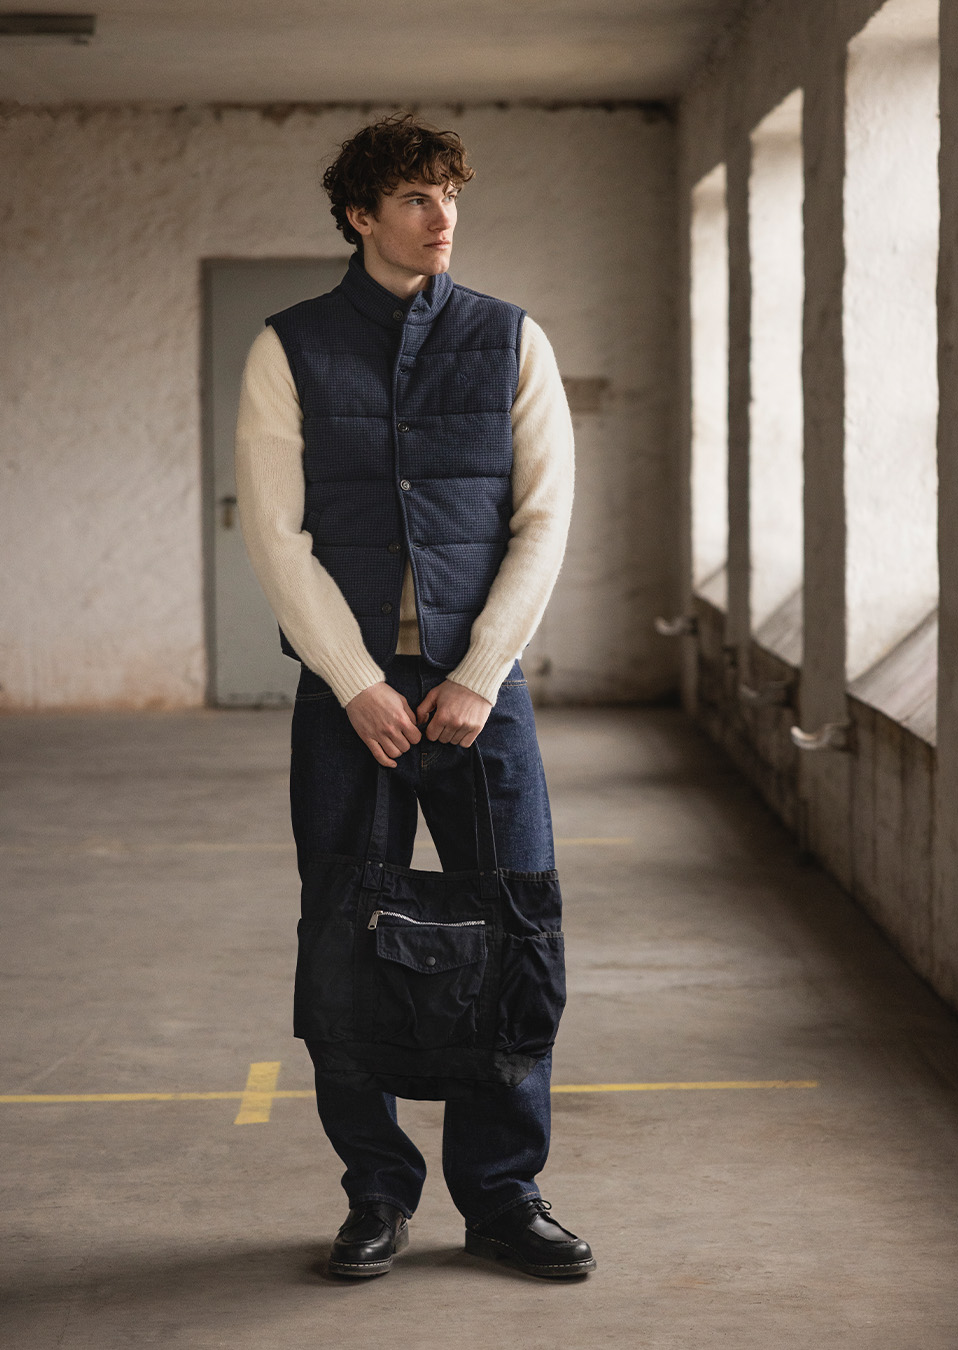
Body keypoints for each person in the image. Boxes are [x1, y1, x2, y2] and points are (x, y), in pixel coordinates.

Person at [234, 112, 594, 1280]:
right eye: (415, 199)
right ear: (360, 216)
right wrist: (354, 682)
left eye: (451, 196)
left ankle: (503, 1197)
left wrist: (479, 674)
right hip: (350, 702)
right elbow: (277, 537)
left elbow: (544, 521)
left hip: (482, 694)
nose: (443, 219)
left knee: (515, 930)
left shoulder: (511, 340)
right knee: (346, 939)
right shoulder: (288, 348)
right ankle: (377, 1195)